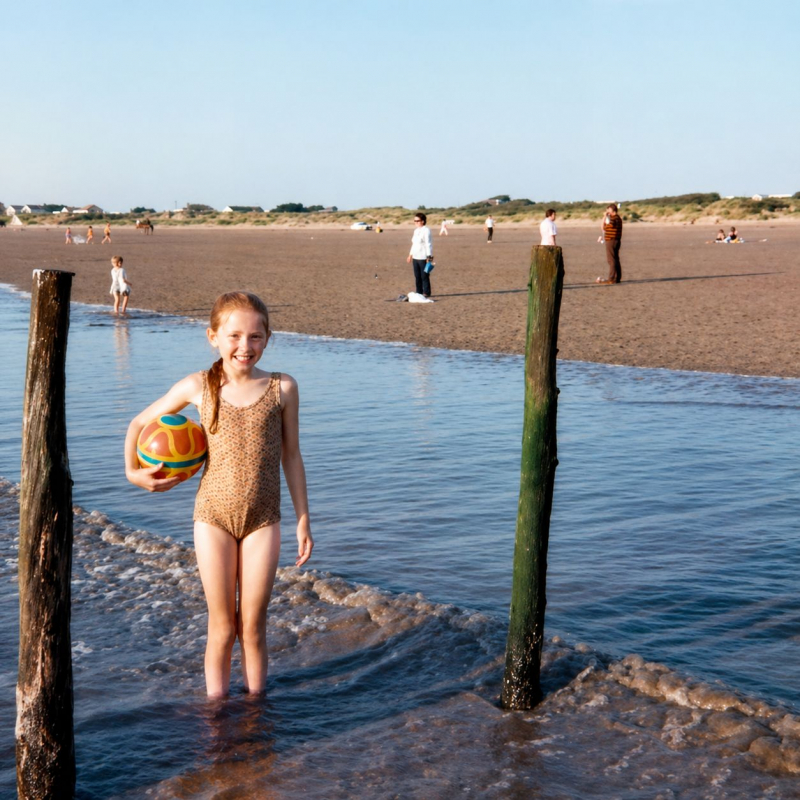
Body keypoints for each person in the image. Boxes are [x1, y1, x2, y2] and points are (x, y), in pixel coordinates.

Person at [125, 292, 313, 697]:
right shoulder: (199, 386)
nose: (244, 346)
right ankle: (216, 715)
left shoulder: (283, 388)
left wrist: (303, 521)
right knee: (223, 626)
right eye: (234, 336)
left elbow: (292, 456)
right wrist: (133, 473)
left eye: (255, 337)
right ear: (213, 337)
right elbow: (139, 422)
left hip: (265, 517)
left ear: (267, 339)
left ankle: (257, 711)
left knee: (253, 625)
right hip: (212, 517)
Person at [407, 212, 434, 298]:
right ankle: (419, 291)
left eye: (417, 221)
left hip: (423, 257)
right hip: (415, 256)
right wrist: (410, 255)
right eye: (414, 221)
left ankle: (426, 292)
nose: (416, 222)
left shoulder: (426, 230)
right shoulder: (416, 231)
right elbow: (414, 244)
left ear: (422, 221)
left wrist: (429, 257)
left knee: (424, 276)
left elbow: (428, 244)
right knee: (417, 276)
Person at [596, 204, 623, 284]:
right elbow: (603, 227)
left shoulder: (615, 218)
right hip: (615, 240)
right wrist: (605, 217)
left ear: (612, 210)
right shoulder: (616, 218)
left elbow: (610, 224)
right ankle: (617, 277)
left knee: (611, 259)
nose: (607, 211)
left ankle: (611, 278)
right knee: (615, 259)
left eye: (608, 210)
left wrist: (606, 216)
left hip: (611, 240)